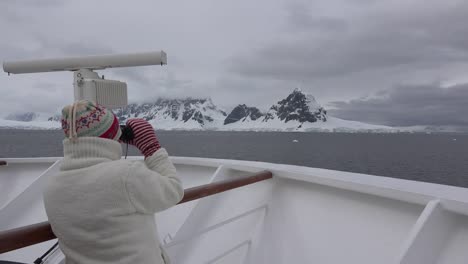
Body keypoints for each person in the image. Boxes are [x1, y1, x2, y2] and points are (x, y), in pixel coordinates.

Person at [43, 100, 184, 264]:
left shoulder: (51, 186)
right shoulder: (126, 175)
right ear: (113, 137)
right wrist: (151, 148)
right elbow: (173, 190)